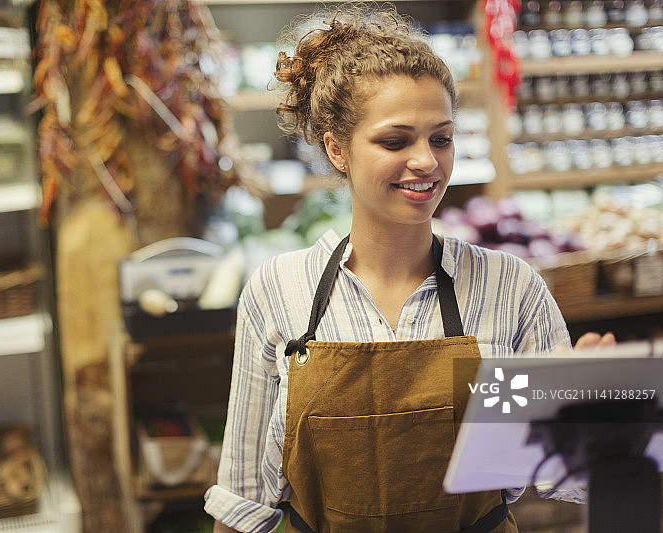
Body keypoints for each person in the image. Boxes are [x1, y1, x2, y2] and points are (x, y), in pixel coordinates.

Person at [204, 4, 615, 532]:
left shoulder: (510, 286)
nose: (427, 161)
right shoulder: (280, 289)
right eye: (396, 141)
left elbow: (565, 477)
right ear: (337, 149)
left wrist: (597, 413)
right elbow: (242, 501)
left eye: (441, 138)